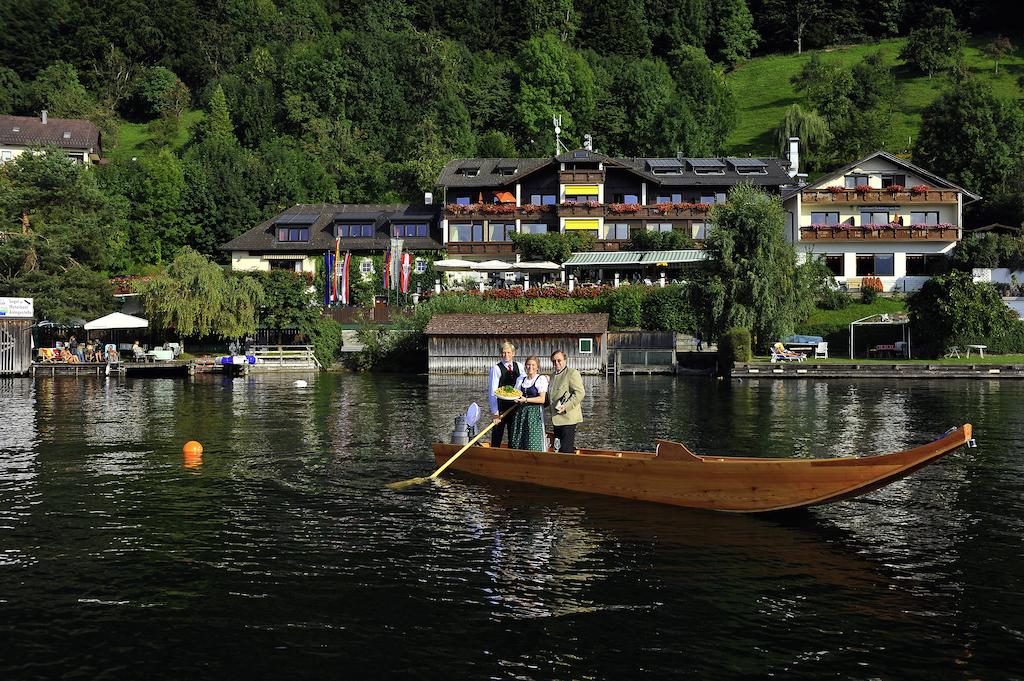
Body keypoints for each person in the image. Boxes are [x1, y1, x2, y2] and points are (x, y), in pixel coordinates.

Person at [488, 342, 525, 447]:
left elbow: (525, 382)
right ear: (501, 354)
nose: (506, 355)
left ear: (513, 353)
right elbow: (492, 391)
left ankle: (511, 455)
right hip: (501, 407)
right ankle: (494, 454)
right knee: (497, 434)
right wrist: (495, 412)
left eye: (509, 352)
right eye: (504, 353)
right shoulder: (496, 368)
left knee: (513, 434)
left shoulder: (519, 366)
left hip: (515, 406)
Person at [547, 350, 585, 453]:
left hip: (568, 419)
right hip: (556, 419)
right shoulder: (552, 376)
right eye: (554, 361)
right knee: (557, 449)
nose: (556, 363)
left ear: (565, 360)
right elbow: (550, 397)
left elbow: (580, 393)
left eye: (559, 360)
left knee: (566, 450)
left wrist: (566, 406)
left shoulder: (572, 373)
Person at [508, 356, 548, 451]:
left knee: (532, 440)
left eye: (533, 365)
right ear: (525, 366)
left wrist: (525, 399)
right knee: (517, 439)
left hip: (534, 414)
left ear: (537, 367)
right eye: (528, 365)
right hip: (521, 413)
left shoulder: (541, 379)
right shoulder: (521, 379)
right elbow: (516, 394)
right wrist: (515, 399)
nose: (530, 367)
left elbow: (542, 399)